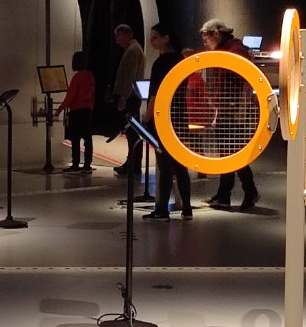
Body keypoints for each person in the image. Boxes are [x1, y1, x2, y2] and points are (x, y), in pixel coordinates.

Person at [199, 18, 260, 210]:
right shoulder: (228, 50)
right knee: (227, 154)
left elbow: (245, 83)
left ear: (216, 34)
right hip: (226, 111)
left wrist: (238, 111)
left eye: (206, 38)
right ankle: (225, 194)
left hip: (234, 113)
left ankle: (249, 192)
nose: (205, 43)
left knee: (234, 155)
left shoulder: (236, 51)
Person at [143, 23, 193, 221]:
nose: (151, 41)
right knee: (181, 166)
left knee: (164, 166)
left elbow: (155, 95)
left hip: (163, 119)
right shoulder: (181, 60)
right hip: (180, 118)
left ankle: (162, 210)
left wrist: (147, 117)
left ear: (166, 38)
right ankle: (187, 209)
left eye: (155, 37)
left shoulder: (160, 63)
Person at [111, 24, 147, 178]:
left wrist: (123, 97)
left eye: (118, 36)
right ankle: (132, 163)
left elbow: (130, 76)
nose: (116, 40)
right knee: (132, 132)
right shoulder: (135, 49)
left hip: (130, 97)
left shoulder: (132, 50)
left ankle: (133, 164)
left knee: (132, 132)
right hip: (133, 95)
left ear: (126, 34)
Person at [54, 49, 96, 172]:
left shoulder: (77, 78)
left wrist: (59, 110)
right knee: (88, 139)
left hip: (76, 112)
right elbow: (93, 96)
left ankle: (75, 164)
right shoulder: (90, 77)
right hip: (87, 111)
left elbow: (70, 97)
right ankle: (87, 164)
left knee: (75, 139)